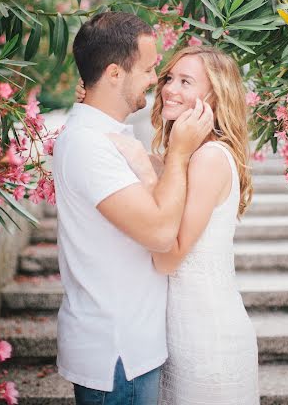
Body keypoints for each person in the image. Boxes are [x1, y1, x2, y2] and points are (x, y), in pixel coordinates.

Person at [77, 44, 260, 405]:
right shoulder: (192, 156)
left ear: (215, 96)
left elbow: (167, 257)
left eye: (186, 82)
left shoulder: (208, 158)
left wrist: (147, 168)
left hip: (207, 338)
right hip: (181, 332)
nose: (170, 89)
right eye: (169, 78)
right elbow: (164, 183)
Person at [53, 11, 213, 405]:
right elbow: (160, 234)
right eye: (149, 68)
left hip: (131, 347)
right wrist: (179, 152)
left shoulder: (104, 136)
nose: (156, 80)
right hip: (115, 354)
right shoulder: (89, 145)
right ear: (113, 74)